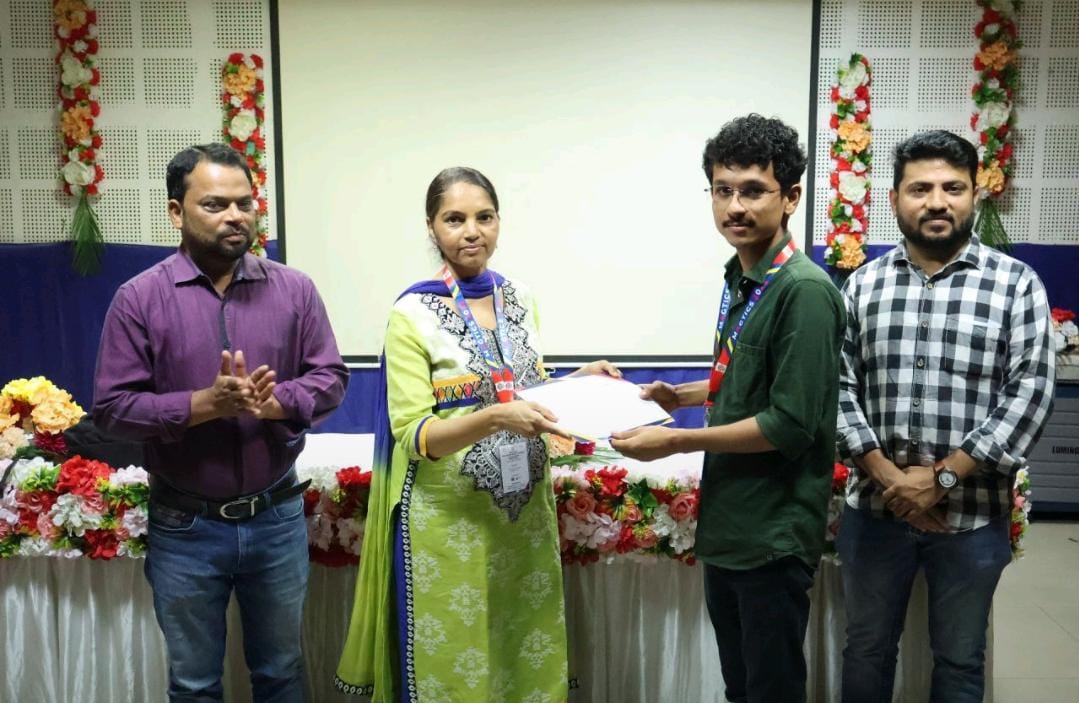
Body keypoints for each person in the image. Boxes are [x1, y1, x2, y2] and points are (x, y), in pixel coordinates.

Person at [335, 167, 618, 702]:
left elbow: (528, 387)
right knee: (454, 662)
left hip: (522, 516)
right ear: (431, 227)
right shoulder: (412, 314)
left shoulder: (520, 297)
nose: (472, 231)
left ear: (498, 222)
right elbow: (414, 434)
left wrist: (581, 380)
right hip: (448, 522)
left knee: (521, 653)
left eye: (484, 217)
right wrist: (494, 417)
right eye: (455, 219)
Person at [93, 143, 349, 703]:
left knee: (281, 672)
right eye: (215, 204)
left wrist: (273, 403)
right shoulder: (138, 298)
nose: (236, 216)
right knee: (193, 683)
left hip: (275, 516)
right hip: (184, 525)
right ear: (175, 212)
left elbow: (330, 378)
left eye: (244, 203)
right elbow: (112, 408)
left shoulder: (294, 289)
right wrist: (205, 404)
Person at [610, 114, 844, 703]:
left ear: (790, 197)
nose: (735, 207)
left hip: (772, 530)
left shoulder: (805, 291)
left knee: (770, 688)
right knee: (741, 685)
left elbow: (789, 423)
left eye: (753, 191)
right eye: (722, 190)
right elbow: (748, 380)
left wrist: (674, 440)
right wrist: (681, 397)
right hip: (732, 523)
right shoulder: (742, 276)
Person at [835, 130, 1055, 702]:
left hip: (972, 520)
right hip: (874, 515)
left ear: (975, 194)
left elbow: (1029, 392)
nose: (937, 201)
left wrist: (943, 479)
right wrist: (890, 479)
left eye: (953, 187)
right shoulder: (862, 286)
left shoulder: (1015, 285)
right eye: (921, 188)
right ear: (894, 199)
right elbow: (836, 388)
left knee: (960, 661)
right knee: (865, 650)